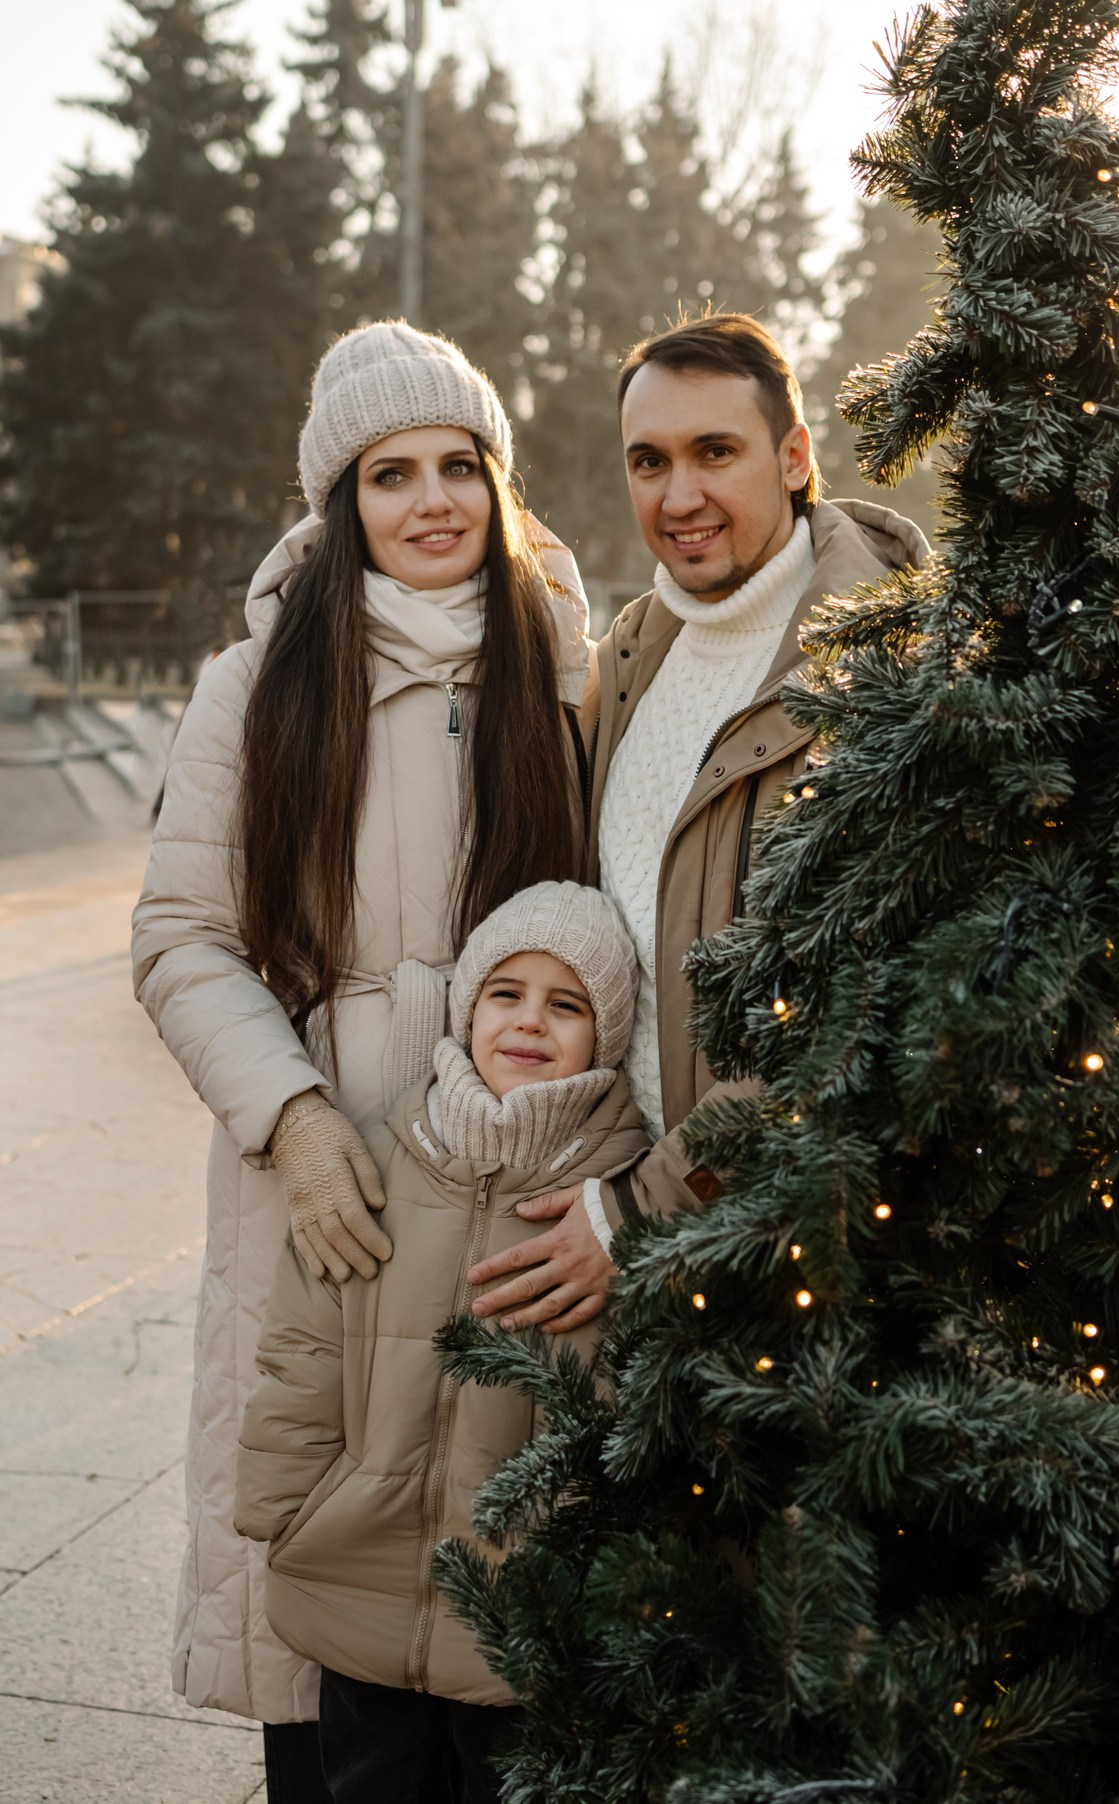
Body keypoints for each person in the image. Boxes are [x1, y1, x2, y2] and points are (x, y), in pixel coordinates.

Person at [131, 321, 590, 1801]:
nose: (432, 500)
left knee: (504, 1572)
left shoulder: (567, 664)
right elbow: (183, 938)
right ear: (341, 503)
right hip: (330, 1176)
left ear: (499, 482)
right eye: (391, 474)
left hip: (518, 1168)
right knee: (328, 1577)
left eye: (460, 465)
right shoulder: (256, 683)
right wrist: (294, 1117)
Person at [465, 310, 931, 1328]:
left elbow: (852, 1012)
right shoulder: (636, 651)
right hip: (633, 1249)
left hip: (800, 1260)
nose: (678, 497)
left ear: (794, 456)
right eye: (650, 461)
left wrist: (649, 1207)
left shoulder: (880, 670)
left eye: (714, 452)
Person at [233, 882, 647, 1803]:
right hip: (358, 1578)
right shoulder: (385, 1156)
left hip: (526, 1622)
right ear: (467, 1010)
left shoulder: (614, 1196)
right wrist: (284, 1507)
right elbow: (303, 1351)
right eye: (505, 993)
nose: (529, 1020)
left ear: (608, 1035)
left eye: (566, 1004)